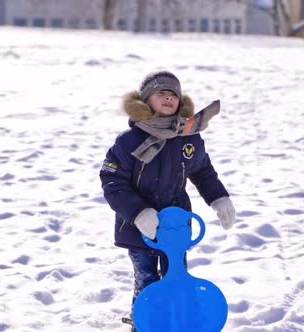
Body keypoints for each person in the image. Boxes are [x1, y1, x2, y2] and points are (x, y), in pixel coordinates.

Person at [99, 70, 236, 317]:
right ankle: (144, 322)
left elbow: (203, 171)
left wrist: (219, 198)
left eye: (173, 94)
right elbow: (112, 182)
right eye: (160, 93)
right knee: (147, 279)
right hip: (139, 229)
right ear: (145, 100)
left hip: (175, 227)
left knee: (177, 276)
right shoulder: (129, 142)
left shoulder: (188, 139)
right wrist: (139, 213)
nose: (168, 98)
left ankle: (179, 320)